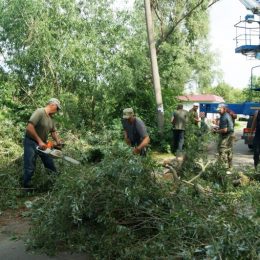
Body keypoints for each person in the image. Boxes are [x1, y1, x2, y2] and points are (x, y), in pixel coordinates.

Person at [23, 98, 62, 189]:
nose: (57, 111)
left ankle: (54, 184)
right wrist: (39, 141)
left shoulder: (51, 119)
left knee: (49, 163)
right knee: (30, 165)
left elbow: (53, 132)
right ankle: (27, 188)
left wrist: (57, 141)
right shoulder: (40, 112)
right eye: (57, 109)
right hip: (31, 142)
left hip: (43, 144)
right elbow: (29, 127)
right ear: (53, 105)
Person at [214, 103, 234, 172]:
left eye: (220, 110)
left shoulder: (224, 117)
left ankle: (223, 169)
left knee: (222, 150)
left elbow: (225, 130)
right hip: (229, 135)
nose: (218, 111)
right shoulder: (224, 115)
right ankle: (230, 168)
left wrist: (217, 131)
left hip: (227, 135)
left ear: (224, 109)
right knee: (229, 150)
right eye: (218, 110)